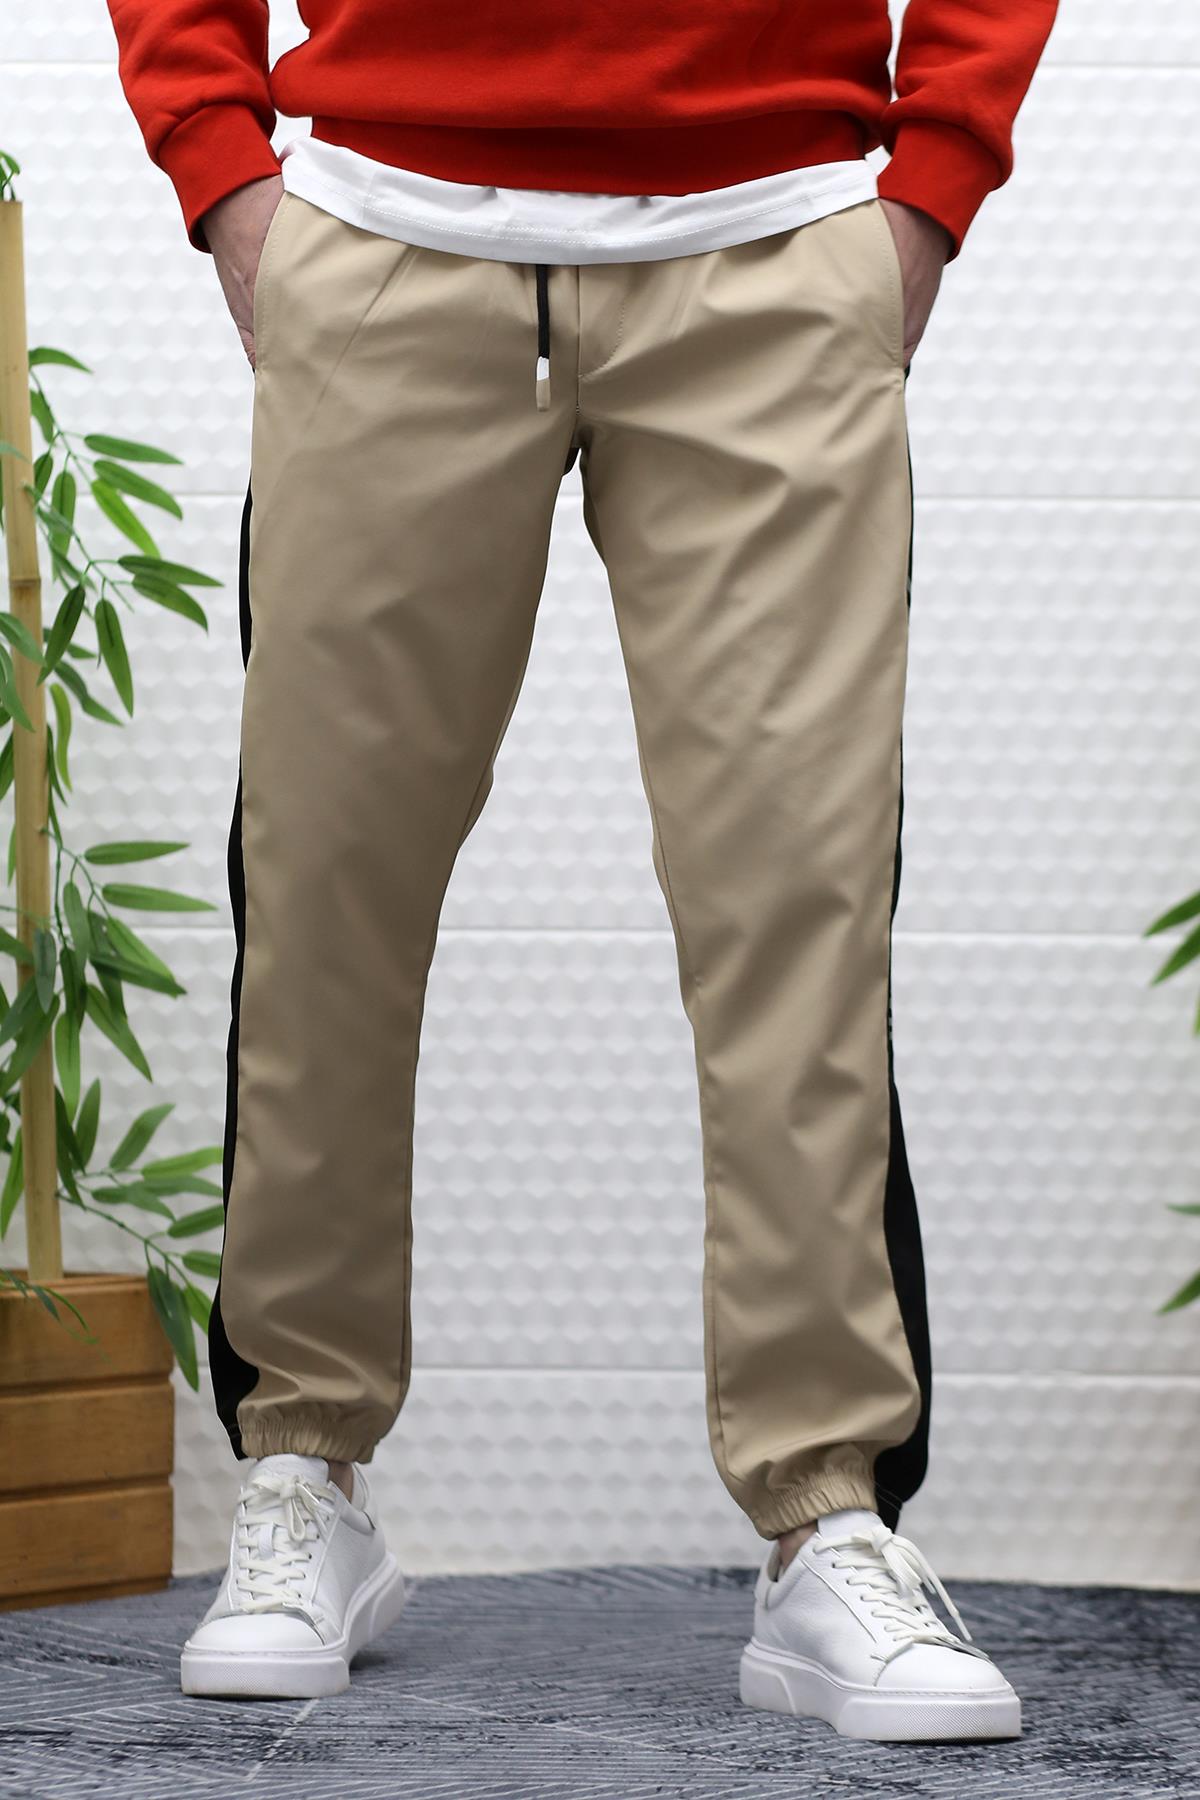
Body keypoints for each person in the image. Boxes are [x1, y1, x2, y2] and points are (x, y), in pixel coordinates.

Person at [105, 0, 1058, 1738]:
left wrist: (933, 182)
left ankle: (828, 1512)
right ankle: (303, 1463)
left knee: (800, 903)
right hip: (388, 235)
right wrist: (223, 170)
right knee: (325, 889)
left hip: (773, 243)